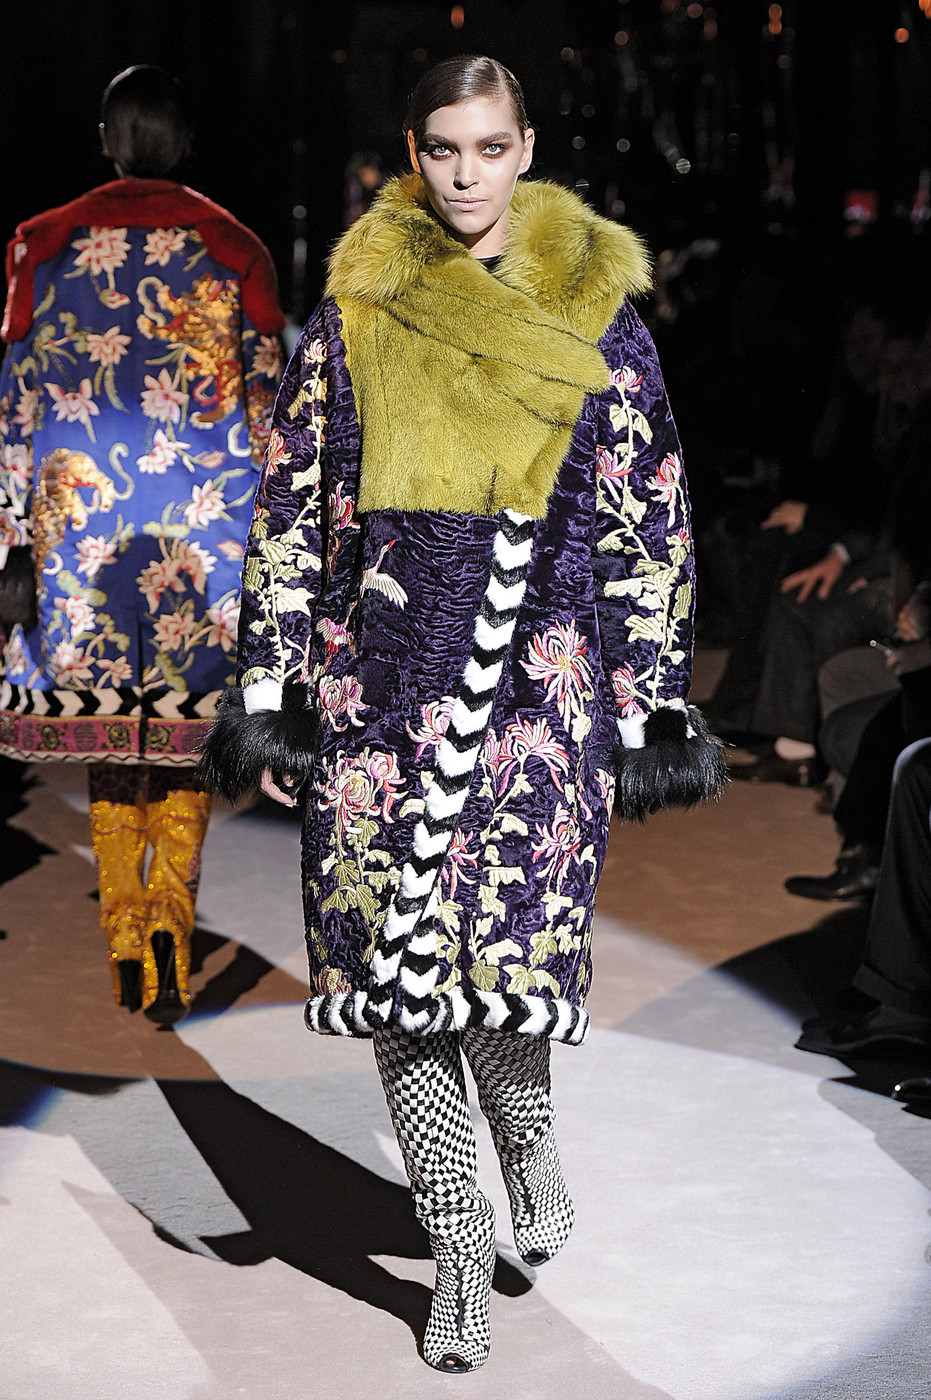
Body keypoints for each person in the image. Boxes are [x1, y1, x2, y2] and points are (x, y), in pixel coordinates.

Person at [199, 55, 724, 1373]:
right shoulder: (361, 308)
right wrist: (276, 689)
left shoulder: (597, 309)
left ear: (525, 148)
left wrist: (650, 699)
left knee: (503, 978)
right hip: (379, 697)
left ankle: (526, 1133)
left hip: (541, 702)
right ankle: (454, 1239)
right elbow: (295, 502)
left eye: (490, 148)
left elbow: (645, 512)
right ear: (414, 153)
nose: (467, 174)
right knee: (395, 986)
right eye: (443, 149)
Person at [0, 66, 283, 1022]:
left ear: (106, 139)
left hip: (83, 545)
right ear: (187, 141)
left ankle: (124, 931)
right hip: (202, 542)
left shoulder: (44, 247)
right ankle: (171, 924)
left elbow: (14, 410)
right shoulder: (233, 249)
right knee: (186, 741)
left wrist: (12, 541)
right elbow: (266, 415)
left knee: (109, 739)